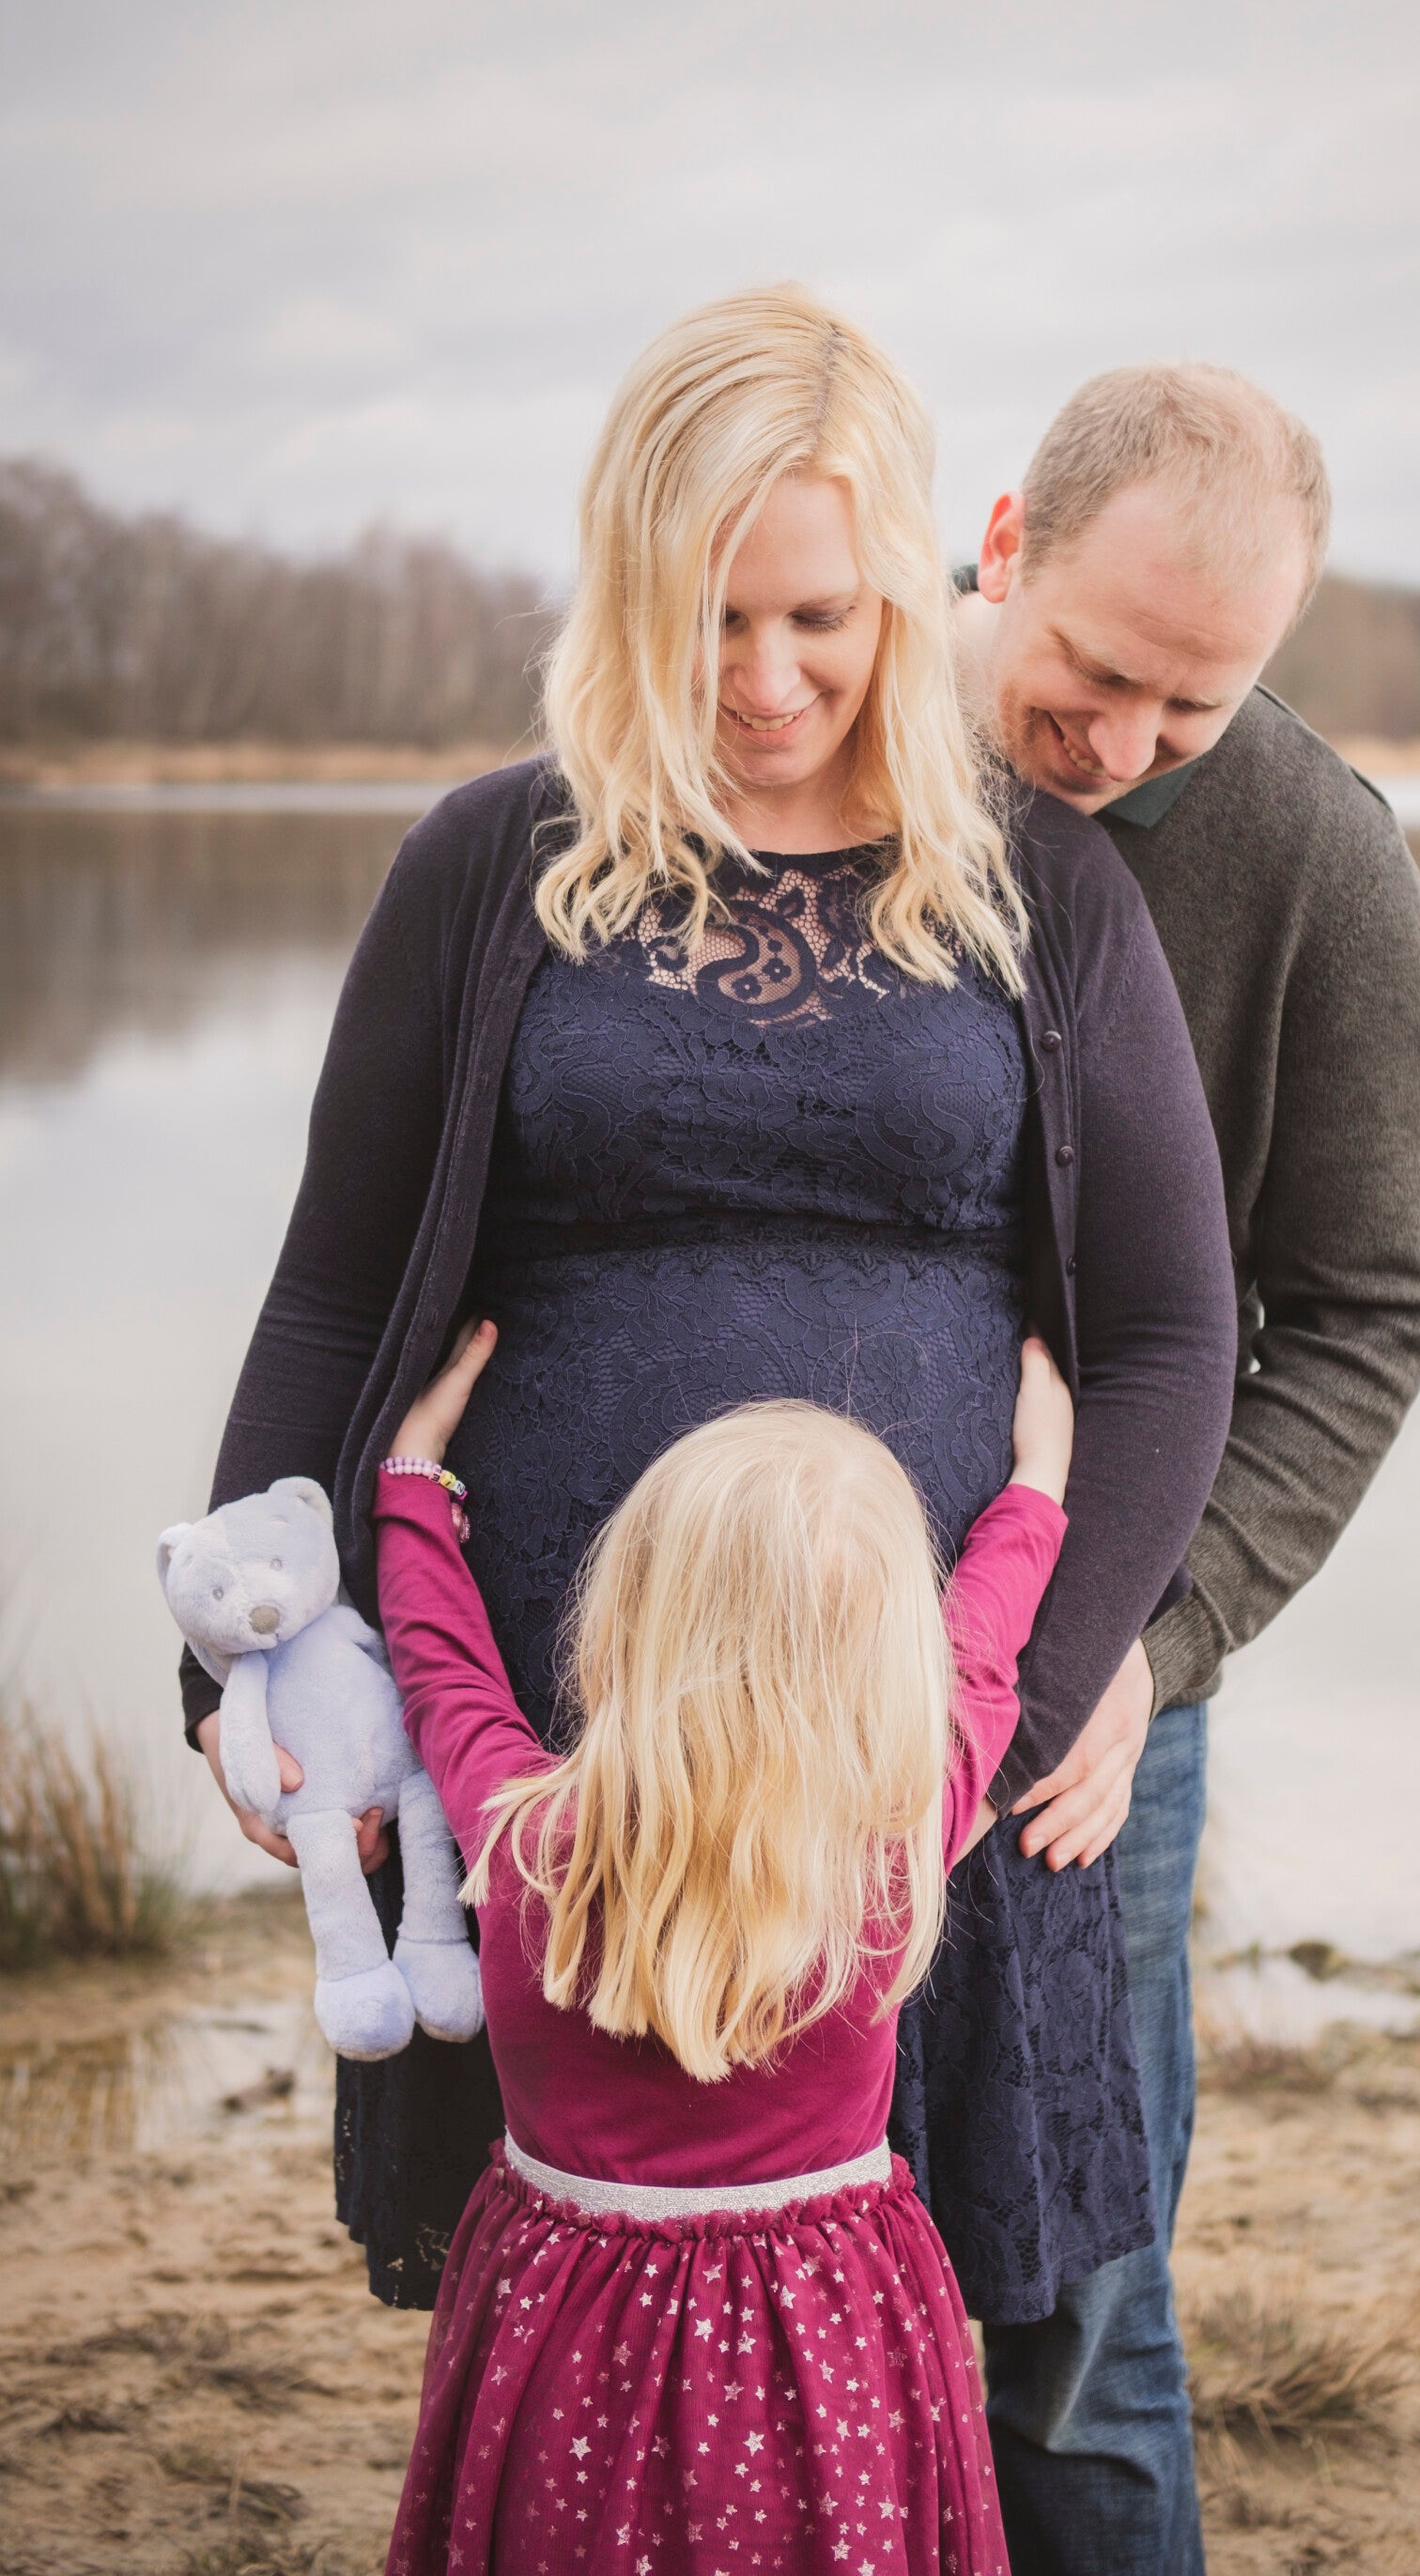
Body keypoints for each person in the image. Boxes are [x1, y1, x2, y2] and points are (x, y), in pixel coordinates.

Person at [180, 291, 1238, 2337]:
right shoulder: (490, 863)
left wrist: (1004, 1722)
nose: (766, 680)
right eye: (711, 617)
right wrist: (245, 1657)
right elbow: (331, 1287)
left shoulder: (1043, 887)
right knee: (570, 2314)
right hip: (556, 1761)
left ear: (905, 591)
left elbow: (1176, 1341)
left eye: (821, 618)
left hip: (914, 1773)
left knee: (938, 2349)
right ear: (626, 587)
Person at [927, 365, 1420, 2576]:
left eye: (1195, 706)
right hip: (758, 1646)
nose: (1125, 743)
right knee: (739, 2257)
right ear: (1005, 537)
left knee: (1077, 2319)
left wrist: (1161, 1639)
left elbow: (1364, 1309)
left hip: (1096, 1691)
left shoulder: (1317, 853)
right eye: (1095, 670)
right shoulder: (811, 724)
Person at [363, 1322, 1074, 2576]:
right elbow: (983, 1652)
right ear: (886, 1664)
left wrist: (414, 1481)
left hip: (570, 2322)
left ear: (623, 1616)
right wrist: (1035, 1483)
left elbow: (441, 1665)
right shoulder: (889, 1851)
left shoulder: (527, 1842)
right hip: (826, 2325)